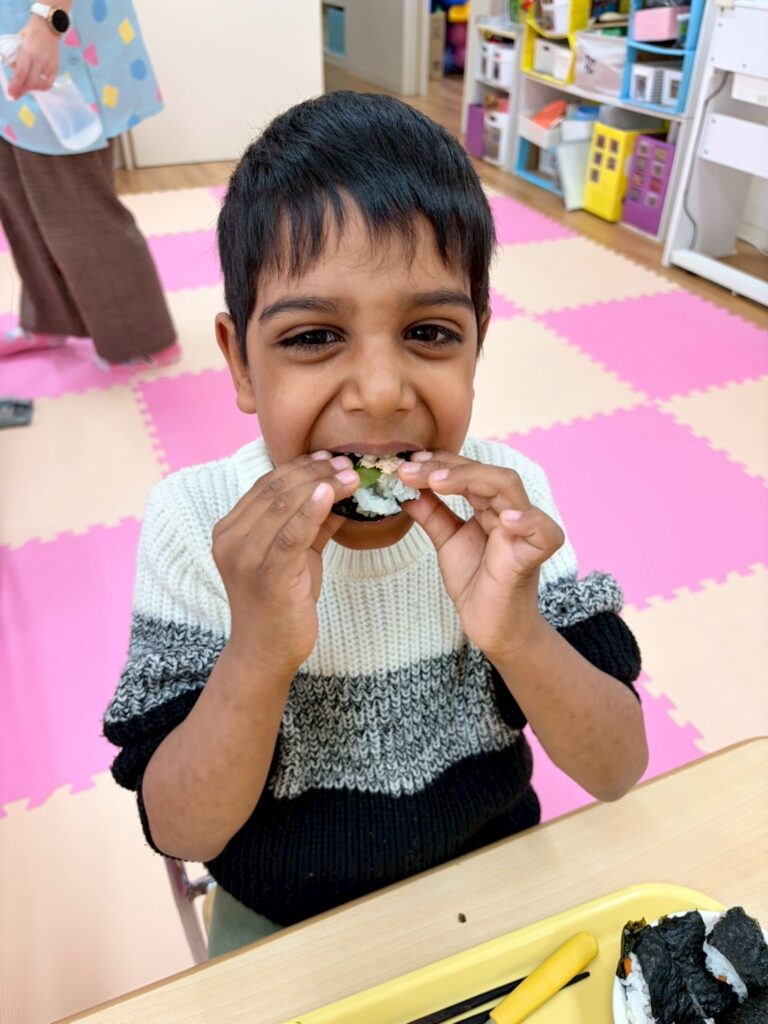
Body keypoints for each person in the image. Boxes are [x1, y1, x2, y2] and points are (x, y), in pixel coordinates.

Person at [104, 92, 648, 957]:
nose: (383, 393)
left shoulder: (508, 513)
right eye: (312, 337)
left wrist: (517, 633)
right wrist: (258, 650)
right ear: (240, 362)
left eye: (430, 332)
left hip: (492, 877)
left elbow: (617, 769)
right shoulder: (198, 526)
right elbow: (182, 830)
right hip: (285, 920)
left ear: (477, 345)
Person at [0, 1, 178, 370]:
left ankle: (142, 340)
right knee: (17, 199)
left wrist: (48, 20)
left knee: (77, 207)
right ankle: (50, 320)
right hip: (13, 41)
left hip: (51, 34)